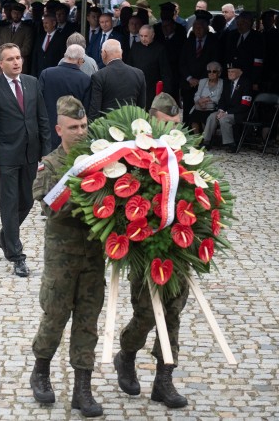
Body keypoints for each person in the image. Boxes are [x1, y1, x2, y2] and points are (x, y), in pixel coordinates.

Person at [29, 95, 103, 415]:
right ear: (59, 129)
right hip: (62, 254)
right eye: (74, 127)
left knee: (88, 320)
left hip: (93, 255)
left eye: (84, 125)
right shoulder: (52, 163)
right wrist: (84, 195)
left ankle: (82, 389)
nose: (81, 132)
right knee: (56, 314)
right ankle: (41, 371)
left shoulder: (100, 159)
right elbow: (49, 205)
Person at [114, 93, 189, 410]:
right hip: (144, 248)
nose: (170, 130)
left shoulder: (186, 155)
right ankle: (126, 354)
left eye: (175, 124)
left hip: (177, 249)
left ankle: (164, 380)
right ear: (152, 118)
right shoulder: (133, 155)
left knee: (172, 314)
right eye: (165, 123)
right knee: (145, 314)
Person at [0, 43, 51, 277]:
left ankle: (4, 237)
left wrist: (47, 150)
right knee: (10, 204)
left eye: (18, 57)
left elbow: (42, 118)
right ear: (0, 63)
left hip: (30, 153)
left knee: (28, 201)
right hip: (6, 155)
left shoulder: (32, 83)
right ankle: (16, 255)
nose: (16, 62)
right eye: (10, 59)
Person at [39, 44, 91, 150]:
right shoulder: (85, 80)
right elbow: (86, 110)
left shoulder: (46, 74)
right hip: (72, 135)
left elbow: (38, 102)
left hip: (47, 132)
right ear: (80, 61)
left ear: (64, 56)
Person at [200, 61, 252, 153]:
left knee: (224, 119)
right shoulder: (227, 83)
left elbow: (244, 105)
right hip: (226, 111)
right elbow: (222, 100)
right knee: (212, 116)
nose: (230, 74)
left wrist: (226, 113)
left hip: (239, 113)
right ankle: (206, 142)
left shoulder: (246, 83)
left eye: (232, 71)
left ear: (240, 72)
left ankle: (231, 144)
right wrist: (220, 110)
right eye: (228, 72)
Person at [179, 11, 219, 126]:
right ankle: (187, 133)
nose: (198, 30)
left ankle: (202, 135)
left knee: (202, 111)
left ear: (207, 28)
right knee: (187, 111)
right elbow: (182, 63)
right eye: (195, 27)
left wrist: (201, 80)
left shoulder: (213, 42)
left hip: (206, 83)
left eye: (201, 27)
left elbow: (214, 62)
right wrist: (190, 78)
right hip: (188, 84)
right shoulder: (188, 42)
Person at [89, 39, 146, 119]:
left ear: (104, 53)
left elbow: (95, 109)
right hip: (131, 126)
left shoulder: (99, 76)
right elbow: (141, 107)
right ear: (121, 52)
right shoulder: (138, 74)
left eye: (101, 52)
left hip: (107, 127)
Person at [126, 25, 171, 110]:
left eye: (146, 36)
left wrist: (164, 93)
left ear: (152, 35)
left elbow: (166, 72)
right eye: (141, 36)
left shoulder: (160, 49)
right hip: (136, 88)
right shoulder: (135, 47)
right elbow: (129, 66)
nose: (143, 39)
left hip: (152, 89)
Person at [0, 2, 33, 74]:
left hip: (19, 65)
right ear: (11, 13)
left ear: (22, 14)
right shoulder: (4, 29)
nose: (16, 15)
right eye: (14, 13)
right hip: (5, 66)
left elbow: (27, 49)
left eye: (18, 13)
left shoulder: (27, 30)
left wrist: (11, 54)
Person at [189, 62, 223, 135]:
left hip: (213, 108)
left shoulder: (222, 83)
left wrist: (206, 100)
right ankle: (196, 138)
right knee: (194, 117)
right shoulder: (203, 81)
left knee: (206, 117)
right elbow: (197, 95)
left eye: (214, 71)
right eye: (209, 71)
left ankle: (206, 139)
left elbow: (219, 98)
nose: (211, 73)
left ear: (219, 73)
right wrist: (200, 101)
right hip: (200, 106)